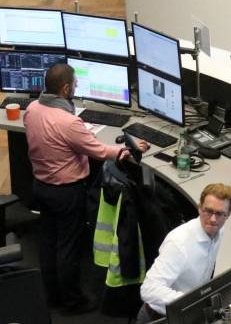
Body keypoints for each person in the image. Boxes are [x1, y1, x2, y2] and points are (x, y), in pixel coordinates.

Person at [23, 62, 149, 313]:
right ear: (66, 88)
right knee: (68, 248)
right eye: (75, 85)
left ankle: (52, 296)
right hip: (66, 192)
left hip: (41, 186)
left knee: (48, 243)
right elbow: (100, 151)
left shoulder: (32, 109)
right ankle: (73, 302)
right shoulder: (68, 122)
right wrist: (128, 149)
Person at [136, 183, 231, 323]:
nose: (213, 219)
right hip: (160, 316)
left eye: (219, 213)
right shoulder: (179, 244)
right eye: (208, 211)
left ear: (228, 215)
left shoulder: (218, 231)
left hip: (187, 313)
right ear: (200, 208)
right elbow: (148, 289)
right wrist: (193, 302)